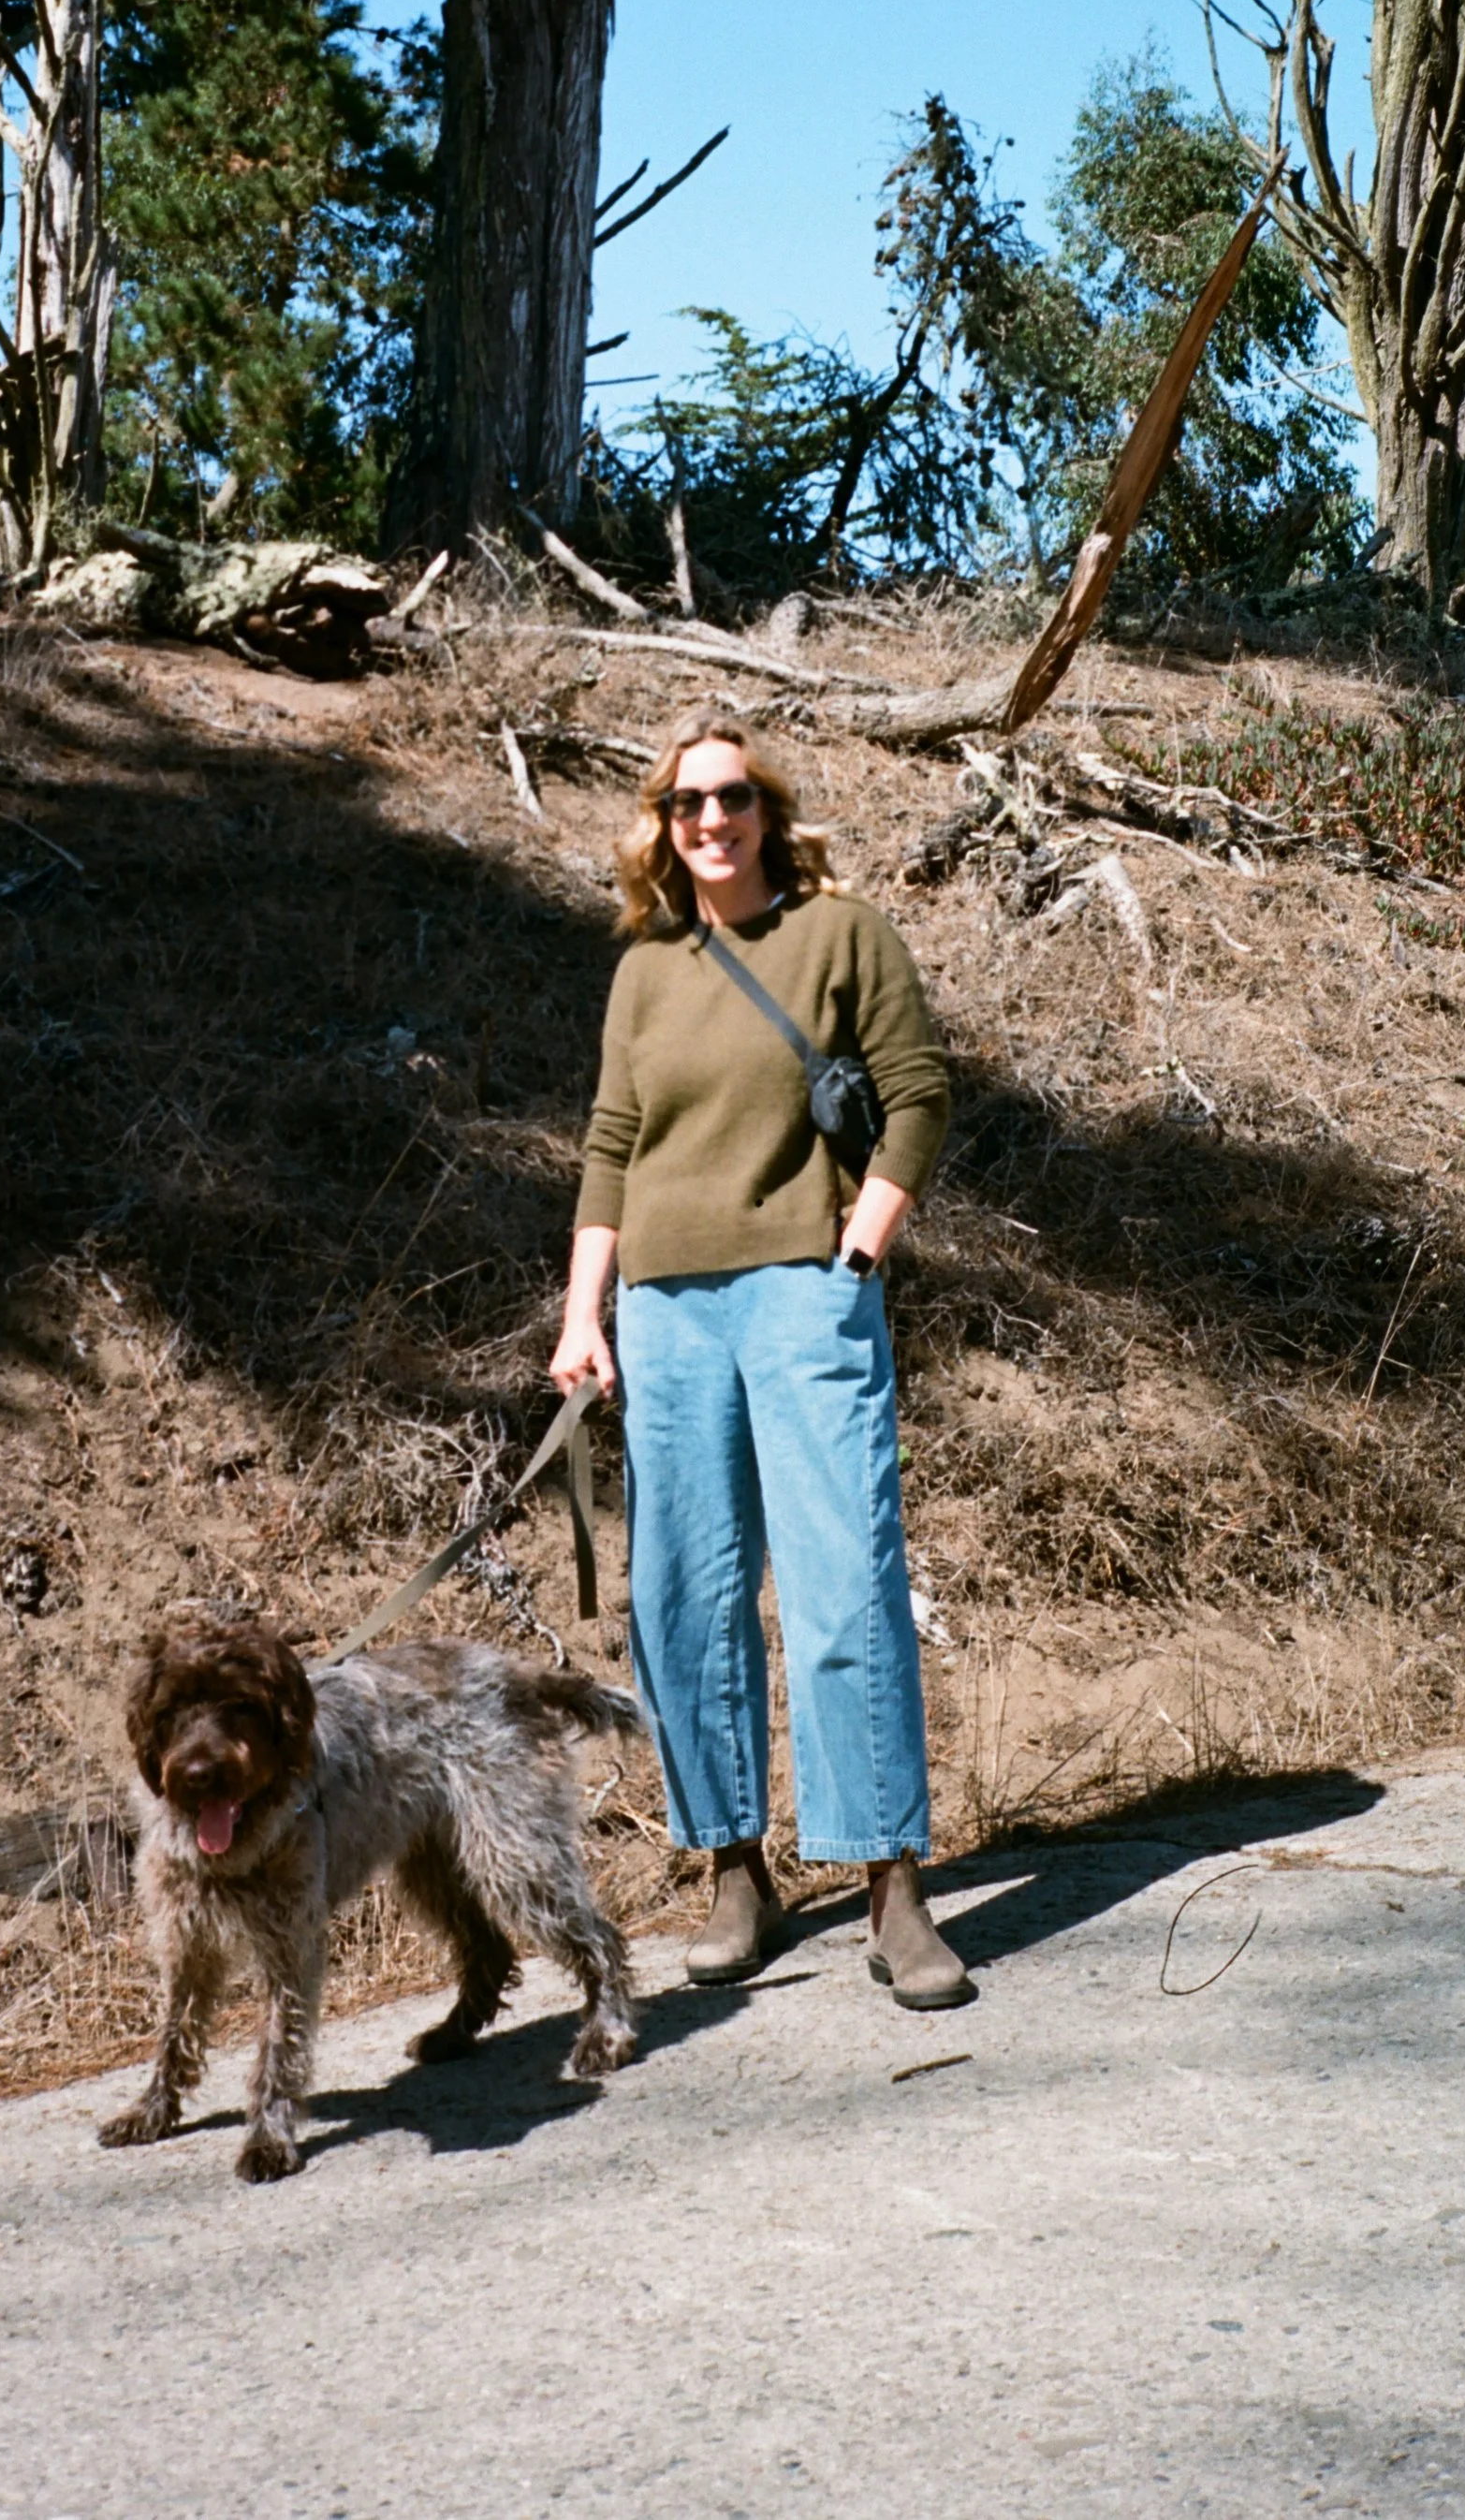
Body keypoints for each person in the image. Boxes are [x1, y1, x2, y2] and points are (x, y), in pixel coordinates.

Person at [550, 712, 970, 2009]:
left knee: (846, 1587)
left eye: (732, 797)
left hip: (807, 1294)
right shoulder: (645, 969)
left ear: (767, 810)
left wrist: (861, 1245)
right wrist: (584, 1317)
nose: (711, 821)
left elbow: (921, 1093)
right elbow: (612, 1143)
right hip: (670, 1314)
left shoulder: (841, 935)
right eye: (687, 805)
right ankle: (737, 1870)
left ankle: (893, 1884)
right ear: (663, 827)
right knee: (685, 1597)